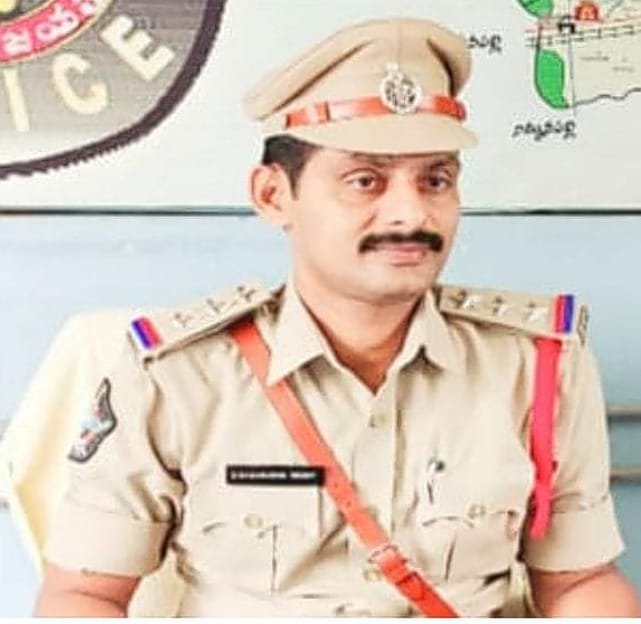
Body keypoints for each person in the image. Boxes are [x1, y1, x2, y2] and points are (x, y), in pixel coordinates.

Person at [32, 16, 640, 617]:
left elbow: (578, 582)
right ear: (274, 195)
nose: (411, 214)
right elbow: (84, 595)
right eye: (365, 181)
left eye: (435, 180)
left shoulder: (537, 365)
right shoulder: (177, 376)